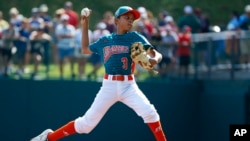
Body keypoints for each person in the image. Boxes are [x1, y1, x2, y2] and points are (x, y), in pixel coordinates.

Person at [30, 6, 167, 141]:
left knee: (150, 113)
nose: (131, 21)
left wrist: (154, 60)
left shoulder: (135, 37)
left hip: (128, 85)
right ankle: (49, 138)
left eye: (132, 19)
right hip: (109, 86)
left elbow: (157, 54)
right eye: (127, 17)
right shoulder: (105, 40)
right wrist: (85, 25)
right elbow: (84, 49)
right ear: (116, 20)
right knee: (86, 125)